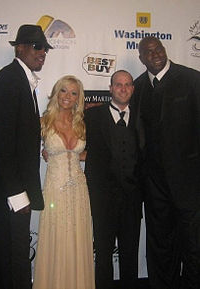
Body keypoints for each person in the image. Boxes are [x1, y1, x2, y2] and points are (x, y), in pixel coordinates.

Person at [0, 24, 53, 289]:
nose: (42, 52)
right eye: (36, 46)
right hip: (11, 190)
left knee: (1, 250)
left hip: (11, 188)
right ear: (19, 47)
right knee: (13, 256)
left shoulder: (20, 79)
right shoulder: (11, 79)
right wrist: (16, 194)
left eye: (45, 48)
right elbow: (2, 142)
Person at [132, 36, 200, 289]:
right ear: (141, 58)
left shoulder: (192, 80)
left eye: (158, 48)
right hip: (154, 187)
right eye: (148, 52)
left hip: (190, 185)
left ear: (165, 49)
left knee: (194, 245)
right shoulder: (137, 88)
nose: (155, 54)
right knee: (160, 246)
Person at [33, 75, 95, 289]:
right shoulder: (43, 122)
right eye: (63, 91)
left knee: (78, 239)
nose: (67, 96)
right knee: (56, 238)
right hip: (54, 190)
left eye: (73, 93)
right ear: (56, 92)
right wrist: (46, 151)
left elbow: (90, 152)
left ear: (79, 98)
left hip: (79, 189)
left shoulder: (82, 123)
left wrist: (81, 154)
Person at [84, 70, 142, 289]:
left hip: (133, 201)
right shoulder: (92, 116)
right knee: (104, 255)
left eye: (128, 84)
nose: (123, 88)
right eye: (118, 84)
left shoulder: (142, 116)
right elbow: (70, 135)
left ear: (133, 89)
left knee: (130, 254)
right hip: (102, 200)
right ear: (110, 88)